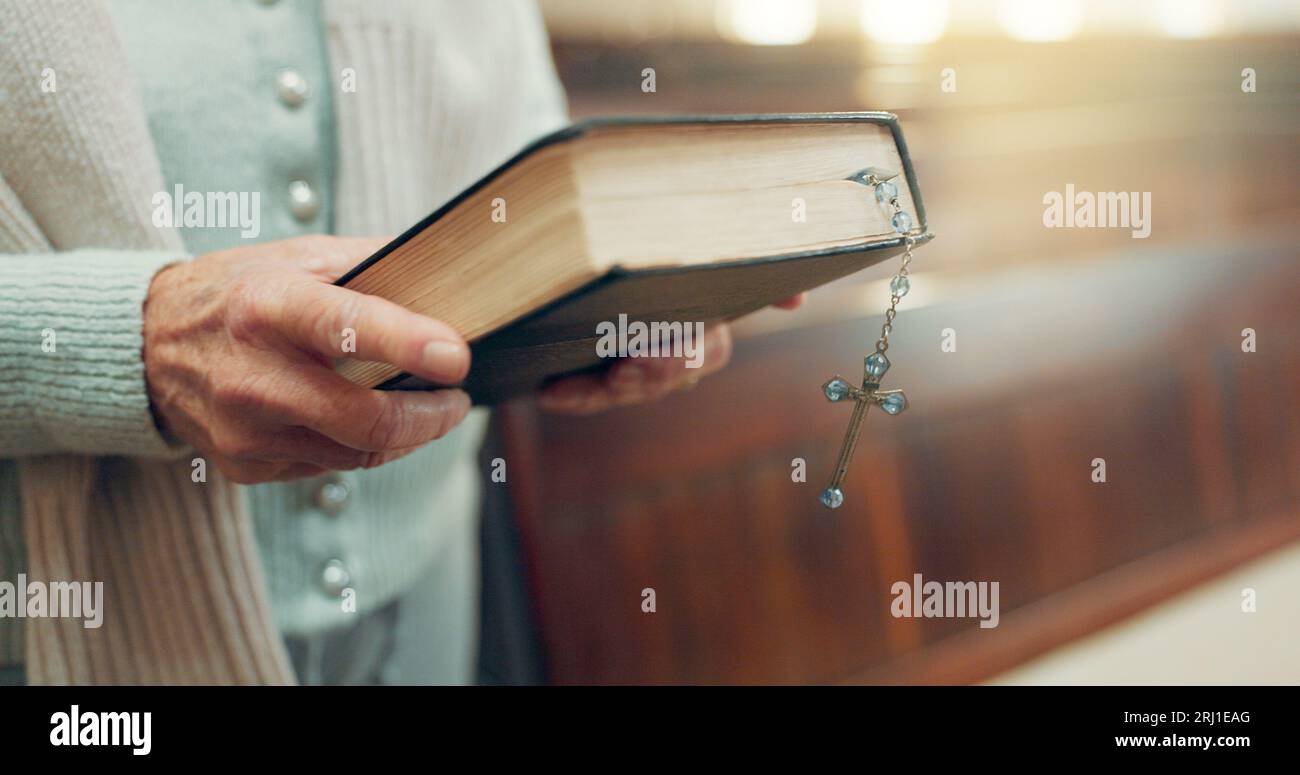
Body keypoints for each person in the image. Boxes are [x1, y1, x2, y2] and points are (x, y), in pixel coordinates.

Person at [0, 0, 800, 685]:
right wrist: (128, 339)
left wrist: (594, 297)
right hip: (56, 623)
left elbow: (521, 152)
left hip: (427, 589)